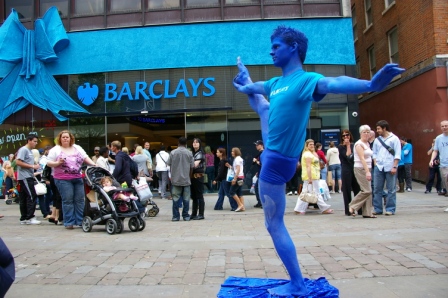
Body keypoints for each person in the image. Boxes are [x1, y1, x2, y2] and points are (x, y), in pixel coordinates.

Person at [232, 25, 404, 296]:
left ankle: (297, 283)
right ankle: (296, 281)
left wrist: (370, 85)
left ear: (293, 48)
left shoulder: (305, 80)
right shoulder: (275, 84)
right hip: (278, 157)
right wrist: (245, 80)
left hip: (276, 163)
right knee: (263, 107)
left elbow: (333, 83)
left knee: (273, 224)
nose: (271, 51)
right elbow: (252, 88)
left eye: (276, 46)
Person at [47, 130, 96, 229]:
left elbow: (85, 157)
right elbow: (48, 163)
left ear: (71, 138)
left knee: (79, 200)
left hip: (78, 177)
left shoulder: (77, 147)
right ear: (60, 139)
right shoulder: (55, 149)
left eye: (67, 137)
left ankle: (79, 221)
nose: (65, 139)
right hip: (62, 179)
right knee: (68, 200)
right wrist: (57, 163)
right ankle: (69, 222)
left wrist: (94, 165)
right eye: (63, 137)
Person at [294, 139, 333, 215]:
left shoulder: (311, 153)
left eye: (313, 144)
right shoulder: (307, 154)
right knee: (315, 192)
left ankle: (299, 209)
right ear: (307, 146)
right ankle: (324, 208)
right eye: (310, 144)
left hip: (314, 175)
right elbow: (308, 166)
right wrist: (310, 178)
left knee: (305, 192)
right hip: (311, 176)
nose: (312, 146)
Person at [372, 120, 402, 216]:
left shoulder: (394, 139)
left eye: (379, 129)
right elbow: (374, 153)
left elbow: (397, 153)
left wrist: (394, 166)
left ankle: (390, 209)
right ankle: (377, 209)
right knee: (377, 188)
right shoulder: (377, 140)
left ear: (384, 128)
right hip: (379, 167)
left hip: (390, 166)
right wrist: (375, 163)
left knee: (391, 189)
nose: (377, 131)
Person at [348, 125, 376, 218]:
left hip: (368, 167)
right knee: (366, 190)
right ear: (360, 133)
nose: (366, 134)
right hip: (360, 168)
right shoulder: (359, 144)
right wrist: (367, 172)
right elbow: (362, 159)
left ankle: (367, 212)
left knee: (369, 191)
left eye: (368, 132)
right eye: (364, 132)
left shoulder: (367, 144)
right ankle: (352, 205)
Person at [15, 133, 41, 225]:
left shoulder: (29, 151)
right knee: (31, 196)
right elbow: (18, 162)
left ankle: (24, 218)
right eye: (34, 141)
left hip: (27, 176)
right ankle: (30, 217)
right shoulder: (24, 150)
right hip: (25, 176)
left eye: (36, 141)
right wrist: (32, 166)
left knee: (24, 197)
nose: (36, 143)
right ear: (29, 141)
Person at [167, 137, 194, 221]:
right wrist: (189, 176)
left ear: (178, 143)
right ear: (186, 144)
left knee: (175, 198)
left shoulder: (173, 152)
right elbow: (192, 166)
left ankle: (175, 216)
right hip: (186, 179)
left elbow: (169, 164)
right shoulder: (189, 153)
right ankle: (185, 215)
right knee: (186, 198)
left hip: (175, 179)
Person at [338, 129, 361, 216]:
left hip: (354, 167)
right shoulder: (340, 147)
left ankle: (359, 209)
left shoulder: (354, 145)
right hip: (346, 168)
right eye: (343, 136)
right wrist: (347, 146)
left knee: (357, 188)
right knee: (347, 189)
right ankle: (348, 210)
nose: (346, 137)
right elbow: (348, 156)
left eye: (347, 135)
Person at [429, 120, 448, 211]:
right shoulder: (438, 138)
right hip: (443, 165)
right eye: (443, 126)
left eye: (446, 126)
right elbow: (435, 150)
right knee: (446, 184)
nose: (444, 127)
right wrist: (432, 160)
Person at [191, 138, 206, 220]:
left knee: (199, 196)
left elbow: (194, 165)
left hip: (198, 177)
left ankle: (201, 214)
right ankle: (194, 214)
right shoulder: (193, 153)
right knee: (194, 196)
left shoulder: (200, 153)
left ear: (200, 144)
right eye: (194, 142)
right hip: (192, 177)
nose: (195, 143)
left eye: (197, 142)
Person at [228, 147, 245, 212]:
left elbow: (238, 169)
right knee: (240, 192)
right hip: (241, 177)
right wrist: (230, 166)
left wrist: (234, 179)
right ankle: (242, 206)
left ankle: (240, 205)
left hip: (238, 177)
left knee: (231, 192)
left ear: (236, 152)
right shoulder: (240, 159)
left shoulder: (237, 159)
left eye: (233, 151)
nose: (231, 152)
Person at [252, 140, 264, 207]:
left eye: (257, 145)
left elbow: (262, 164)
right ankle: (260, 202)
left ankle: (261, 202)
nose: (256, 146)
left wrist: (256, 161)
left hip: (262, 174)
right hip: (260, 173)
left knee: (259, 188)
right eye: (256, 145)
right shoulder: (260, 153)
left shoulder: (263, 153)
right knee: (257, 188)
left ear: (261, 145)